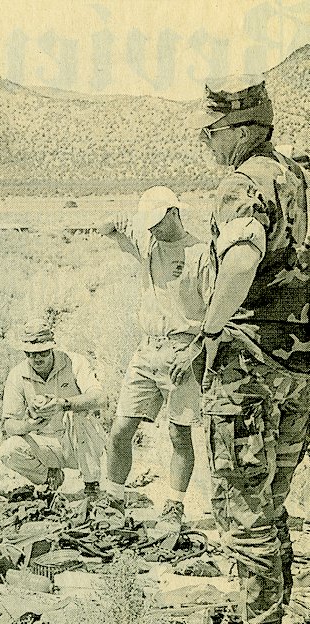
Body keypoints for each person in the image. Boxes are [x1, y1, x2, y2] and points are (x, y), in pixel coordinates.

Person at [180, 74, 310, 624]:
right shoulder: (297, 177)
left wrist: (210, 329)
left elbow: (239, 258)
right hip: (299, 364)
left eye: (209, 134)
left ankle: (261, 618)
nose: (206, 144)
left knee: (241, 509)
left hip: (249, 369)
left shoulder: (243, 183)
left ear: (233, 131)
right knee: (271, 500)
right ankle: (276, 610)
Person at [98, 187, 211, 528]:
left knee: (179, 436)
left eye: (158, 223)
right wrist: (118, 220)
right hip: (147, 350)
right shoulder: (149, 244)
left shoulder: (201, 254)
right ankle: (113, 501)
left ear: (175, 213)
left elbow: (218, 312)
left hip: (183, 353)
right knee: (120, 430)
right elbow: (109, 228)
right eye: (148, 225)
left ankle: (174, 507)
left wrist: (194, 351)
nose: (152, 231)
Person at [0, 320, 106, 496]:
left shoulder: (74, 362)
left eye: (43, 352)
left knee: (77, 415)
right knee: (8, 450)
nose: (37, 358)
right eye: (31, 354)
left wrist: (63, 404)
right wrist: (30, 425)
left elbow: (100, 398)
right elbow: (9, 425)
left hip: (81, 442)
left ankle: (91, 484)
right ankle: (50, 476)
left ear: (52, 348)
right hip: (47, 443)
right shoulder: (17, 374)